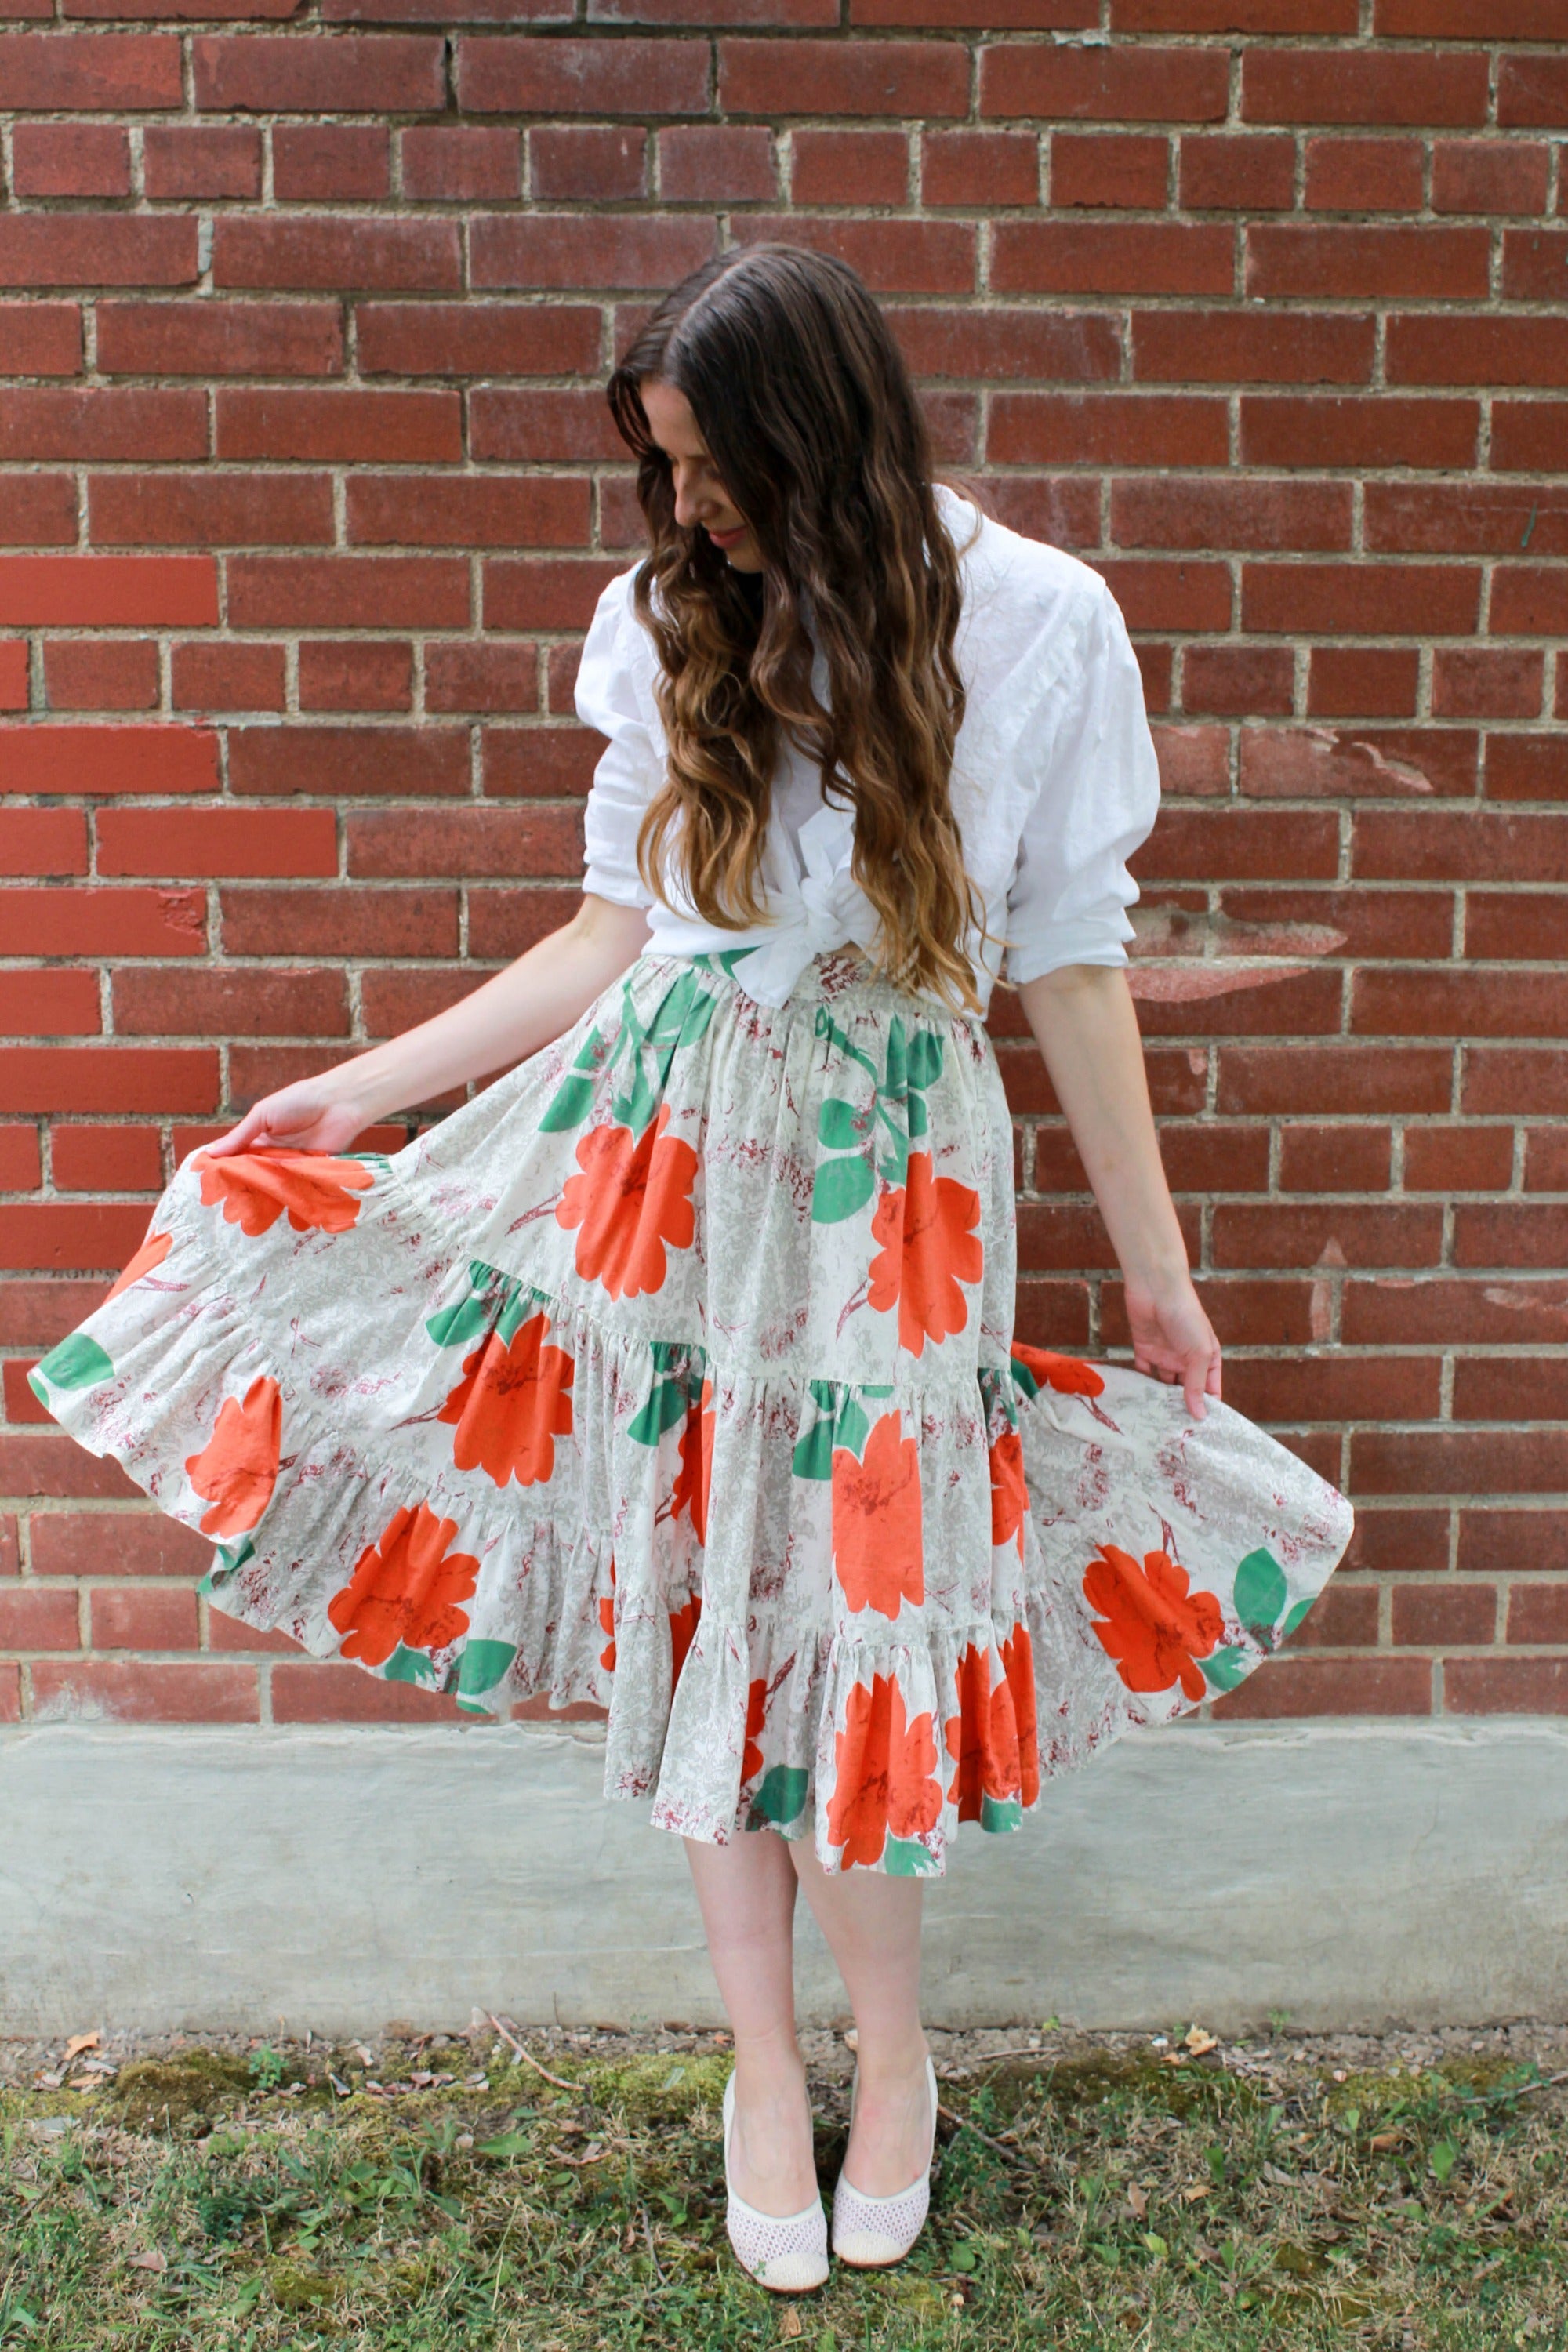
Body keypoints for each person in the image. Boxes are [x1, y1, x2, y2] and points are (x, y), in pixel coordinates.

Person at [37, 245, 1353, 2296]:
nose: (689, 513)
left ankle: (893, 2058)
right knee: (707, 1591)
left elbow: (1074, 961)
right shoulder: (666, 624)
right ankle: (761, 2063)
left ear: (813, 435)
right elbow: (604, 937)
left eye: (714, 469)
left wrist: (1162, 1277)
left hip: (900, 1182)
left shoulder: (1041, 622)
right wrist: (359, 1094)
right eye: (664, 474)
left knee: (860, 1602)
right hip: (657, 1156)